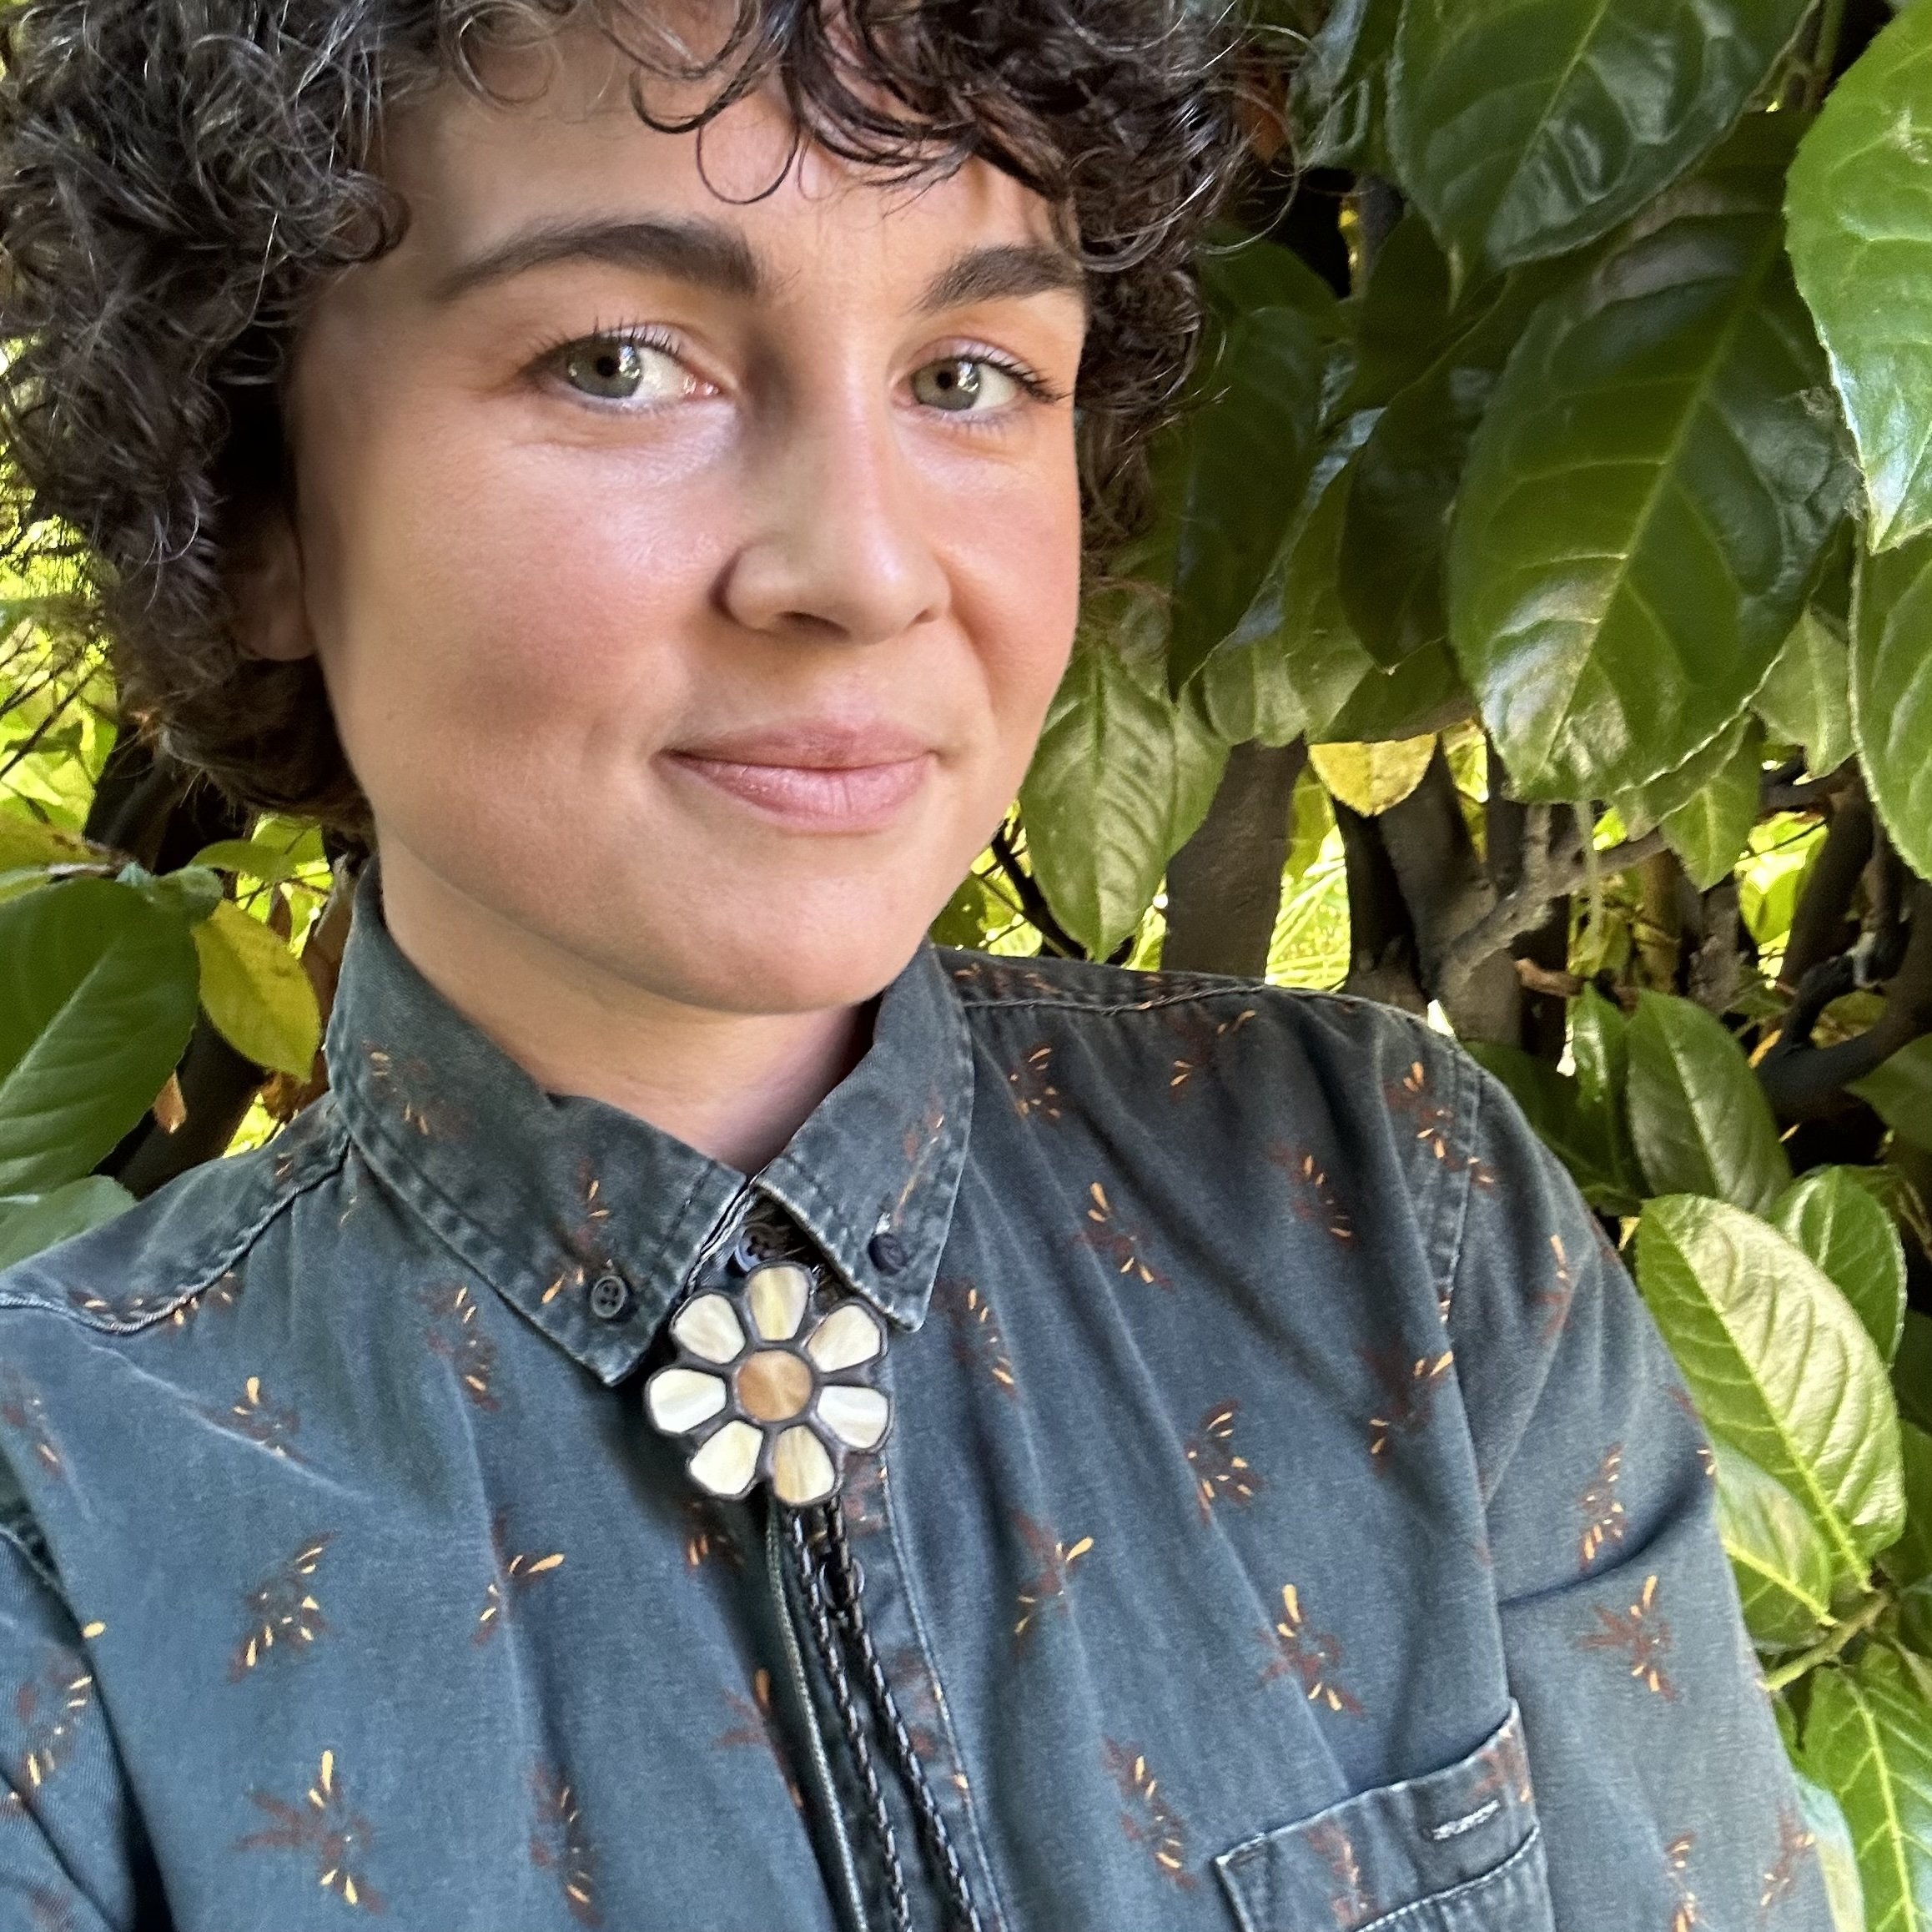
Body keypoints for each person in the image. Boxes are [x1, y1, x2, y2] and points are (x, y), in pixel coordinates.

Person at [0, 0, 1831, 1925]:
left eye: (967, 375)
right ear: (256, 505)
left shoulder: (1395, 1217)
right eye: (619, 362)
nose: (867, 571)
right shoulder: (59, 1522)